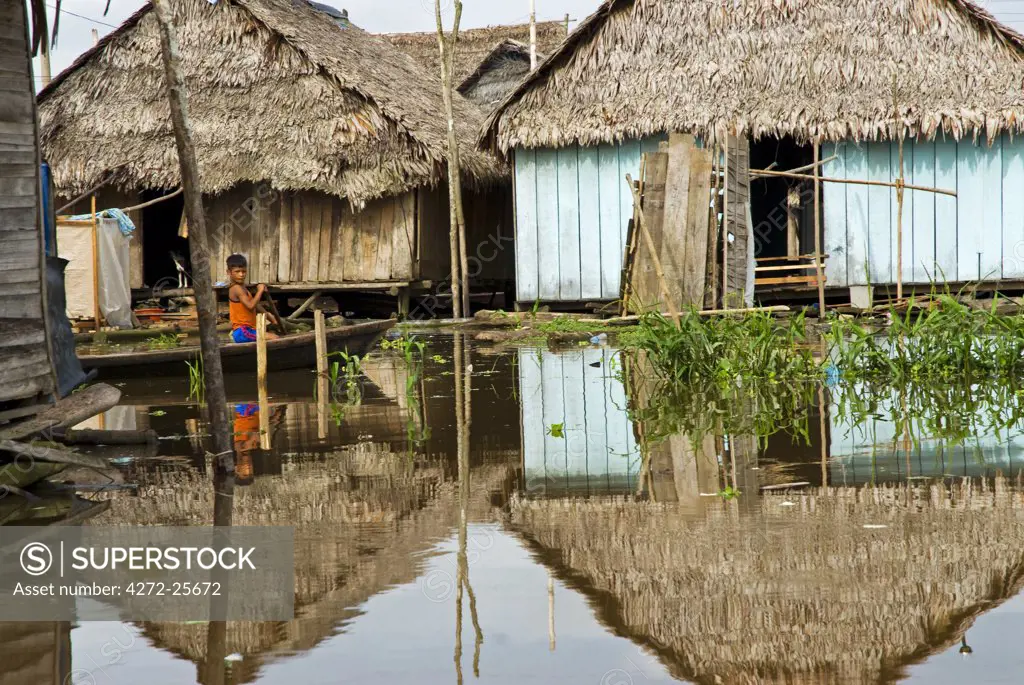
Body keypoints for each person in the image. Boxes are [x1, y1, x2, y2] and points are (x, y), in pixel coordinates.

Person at [227, 254, 279, 342]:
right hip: (242, 332)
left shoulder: (242, 287)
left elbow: (256, 305)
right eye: (237, 271)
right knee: (275, 338)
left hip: (248, 330)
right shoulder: (236, 288)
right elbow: (250, 306)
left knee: (272, 334)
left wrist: (269, 316)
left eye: (243, 271)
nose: (241, 274)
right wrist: (260, 291)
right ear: (229, 272)